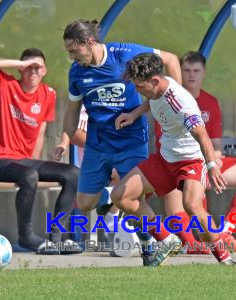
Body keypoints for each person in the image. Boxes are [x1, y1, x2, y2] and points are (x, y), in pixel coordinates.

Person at [53, 19, 181, 258]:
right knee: (85, 204)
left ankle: (151, 246)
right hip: (97, 144)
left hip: (131, 141)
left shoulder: (124, 54)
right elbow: (71, 111)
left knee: (132, 199)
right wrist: (65, 140)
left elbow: (172, 59)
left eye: (73, 50)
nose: (71, 56)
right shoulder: (77, 72)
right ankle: (107, 198)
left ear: (89, 42)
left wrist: (176, 101)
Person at [111, 52, 236, 266]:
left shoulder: (181, 102)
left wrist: (212, 166)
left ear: (154, 81)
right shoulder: (157, 87)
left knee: (192, 205)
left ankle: (224, 258)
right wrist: (134, 114)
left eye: (140, 86)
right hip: (164, 159)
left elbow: (203, 135)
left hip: (190, 161)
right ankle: (167, 239)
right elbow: (152, 101)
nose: (137, 89)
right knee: (120, 196)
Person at [155, 51, 236, 253]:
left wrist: (213, 164)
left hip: (206, 162)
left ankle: (226, 231)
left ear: (204, 73)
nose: (191, 75)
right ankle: (194, 244)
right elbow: (164, 143)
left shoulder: (211, 102)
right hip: (178, 164)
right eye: (187, 70)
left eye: (196, 71)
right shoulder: (167, 99)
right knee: (174, 203)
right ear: (178, 72)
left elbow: (215, 144)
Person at [0, 48, 80, 254]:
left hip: (23, 161)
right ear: (20, 69)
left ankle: (57, 237)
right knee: (29, 175)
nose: (32, 72)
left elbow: (40, 133)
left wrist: (37, 160)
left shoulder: (48, 94)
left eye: (37, 67)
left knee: (73, 173)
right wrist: (18, 63)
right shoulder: (5, 85)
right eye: (28, 67)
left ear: (45, 71)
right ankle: (26, 236)